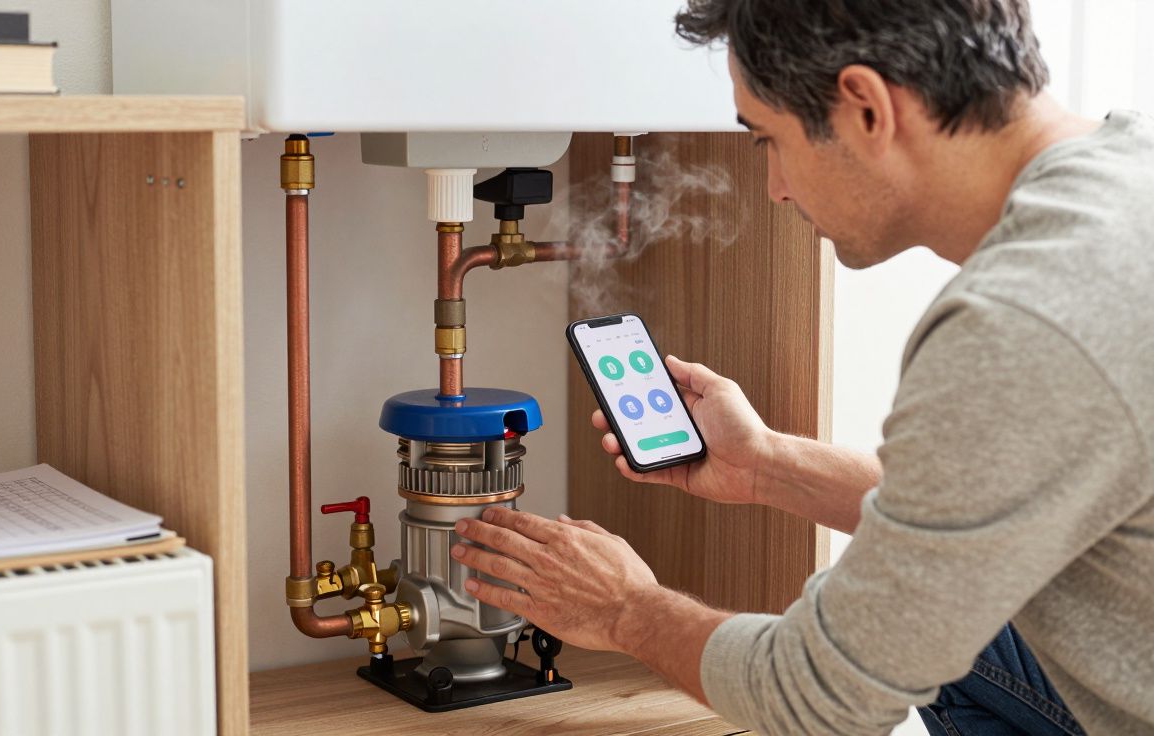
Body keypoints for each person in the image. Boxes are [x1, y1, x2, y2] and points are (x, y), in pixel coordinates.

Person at [448, 1, 1154, 734]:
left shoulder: (1021, 320)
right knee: (940, 625)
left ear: (866, 108)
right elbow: (974, 530)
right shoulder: (1126, 173)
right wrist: (767, 465)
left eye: (768, 141)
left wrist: (625, 609)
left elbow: (825, 699)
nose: (776, 187)